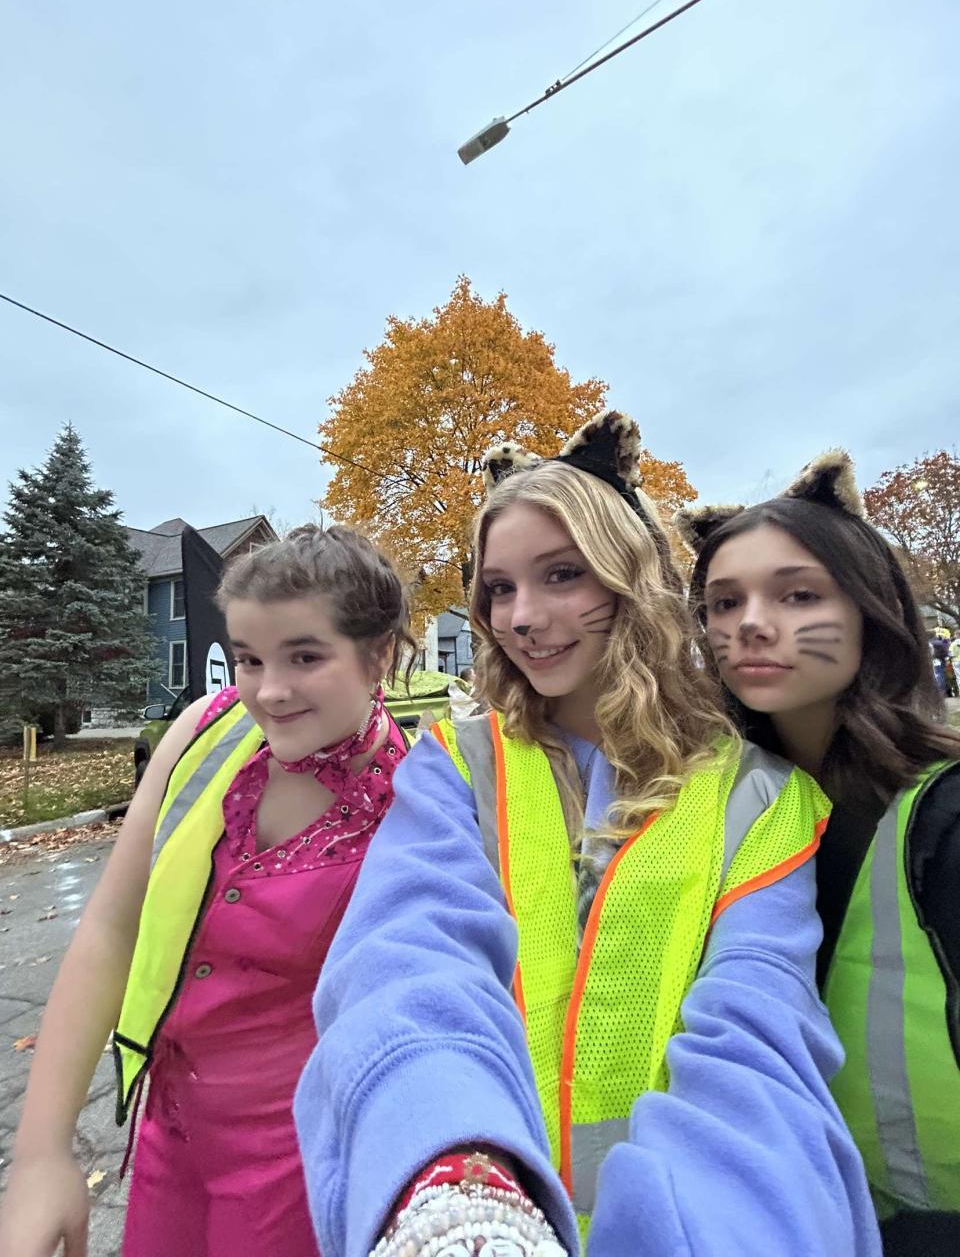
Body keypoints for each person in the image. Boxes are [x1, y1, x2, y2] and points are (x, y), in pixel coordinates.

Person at [294, 411, 879, 1257]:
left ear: (630, 578)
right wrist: (450, 1180)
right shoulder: (459, 765)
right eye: (498, 589)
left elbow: (758, 1039)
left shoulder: (760, 798)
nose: (522, 616)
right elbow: (408, 959)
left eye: (563, 575)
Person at [0, 525, 416, 1257]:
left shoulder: (417, 797)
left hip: (301, 1160)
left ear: (378, 653)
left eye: (305, 657)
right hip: (169, 1134)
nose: (269, 691)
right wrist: (41, 1153)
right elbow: (114, 927)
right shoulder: (207, 731)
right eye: (250, 659)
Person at [679, 451, 960, 1256]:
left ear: (874, 611)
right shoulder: (702, 810)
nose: (750, 624)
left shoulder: (943, 814)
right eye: (723, 602)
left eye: (799, 595)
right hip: (769, 1218)